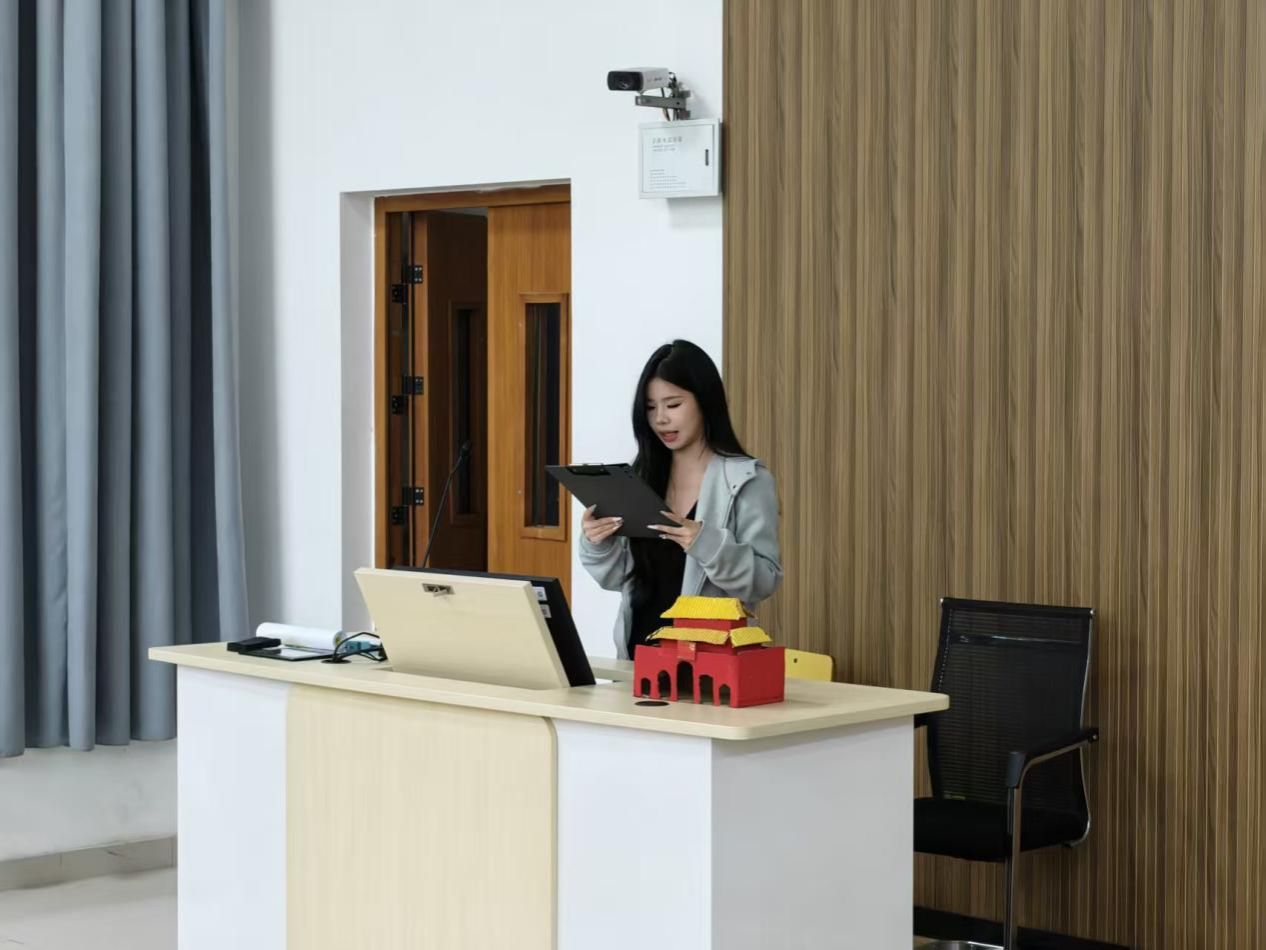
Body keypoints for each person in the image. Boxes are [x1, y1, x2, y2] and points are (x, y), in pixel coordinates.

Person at [579, 339, 783, 659]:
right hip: (636, 661)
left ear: (705, 401)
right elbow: (621, 579)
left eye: (673, 405)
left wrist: (707, 544)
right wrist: (598, 544)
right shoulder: (641, 477)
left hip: (706, 665)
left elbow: (763, 582)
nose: (660, 419)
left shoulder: (746, 480)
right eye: (650, 407)